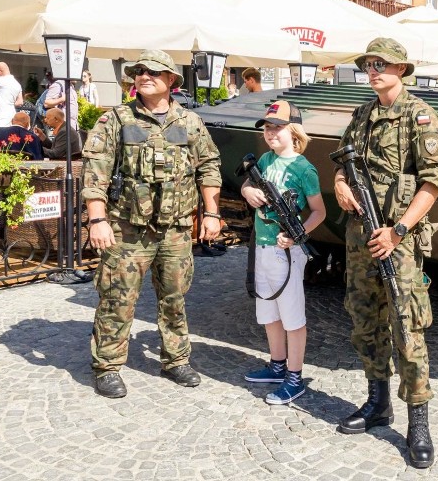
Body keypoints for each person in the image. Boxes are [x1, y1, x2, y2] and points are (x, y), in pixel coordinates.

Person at [333, 38, 438, 469]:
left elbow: (434, 181)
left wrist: (399, 231)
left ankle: (418, 420)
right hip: (360, 237)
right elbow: (340, 161)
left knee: (406, 325)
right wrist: (341, 184)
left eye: (381, 64)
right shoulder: (362, 114)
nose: (373, 70)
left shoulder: (419, 115)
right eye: (368, 64)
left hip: (398, 241)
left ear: (401, 68)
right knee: (365, 319)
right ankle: (377, 403)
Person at [81, 49, 222, 399]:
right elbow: (94, 171)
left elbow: (209, 166)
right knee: (117, 296)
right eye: (139, 71)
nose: (144, 76)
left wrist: (212, 213)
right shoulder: (116, 119)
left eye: (154, 72)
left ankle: (175, 359)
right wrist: (96, 219)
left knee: (175, 297)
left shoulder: (189, 122)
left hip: (175, 229)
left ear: (171, 80)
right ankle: (108, 365)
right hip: (128, 229)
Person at [240, 99, 325, 405]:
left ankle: (294, 376)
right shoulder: (264, 161)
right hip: (262, 246)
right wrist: (248, 190)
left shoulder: (305, 168)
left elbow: (319, 211)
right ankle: (277, 365)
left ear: (294, 131)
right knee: (268, 313)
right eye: (267, 127)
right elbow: (247, 185)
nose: (271, 133)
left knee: (291, 316)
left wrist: (296, 234)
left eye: (278, 127)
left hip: (285, 251)